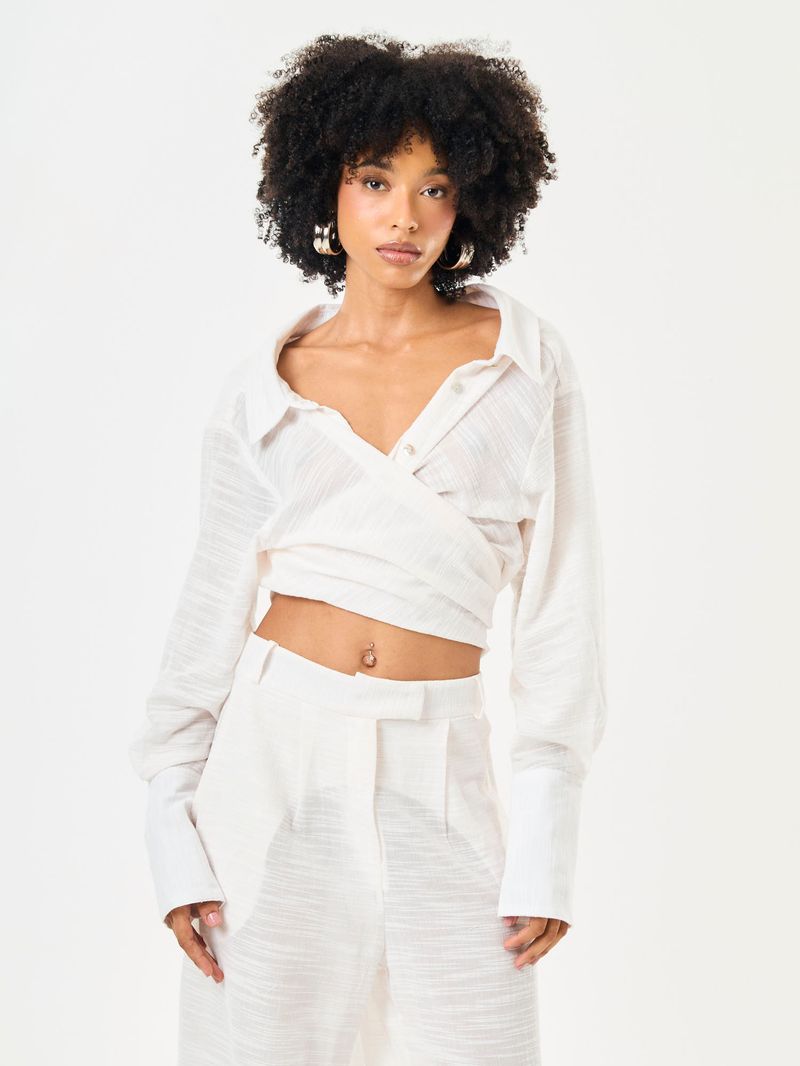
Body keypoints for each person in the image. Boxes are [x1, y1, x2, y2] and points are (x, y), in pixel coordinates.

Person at [128, 32, 608, 1066]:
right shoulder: (266, 389)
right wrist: (173, 834)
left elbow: (560, 609)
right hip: (273, 767)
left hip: (444, 769)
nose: (405, 217)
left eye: (436, 188)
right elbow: (206, 615)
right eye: (375, 180)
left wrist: (545, 839)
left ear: (473, 199)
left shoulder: (523, 367)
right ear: (326, 188)